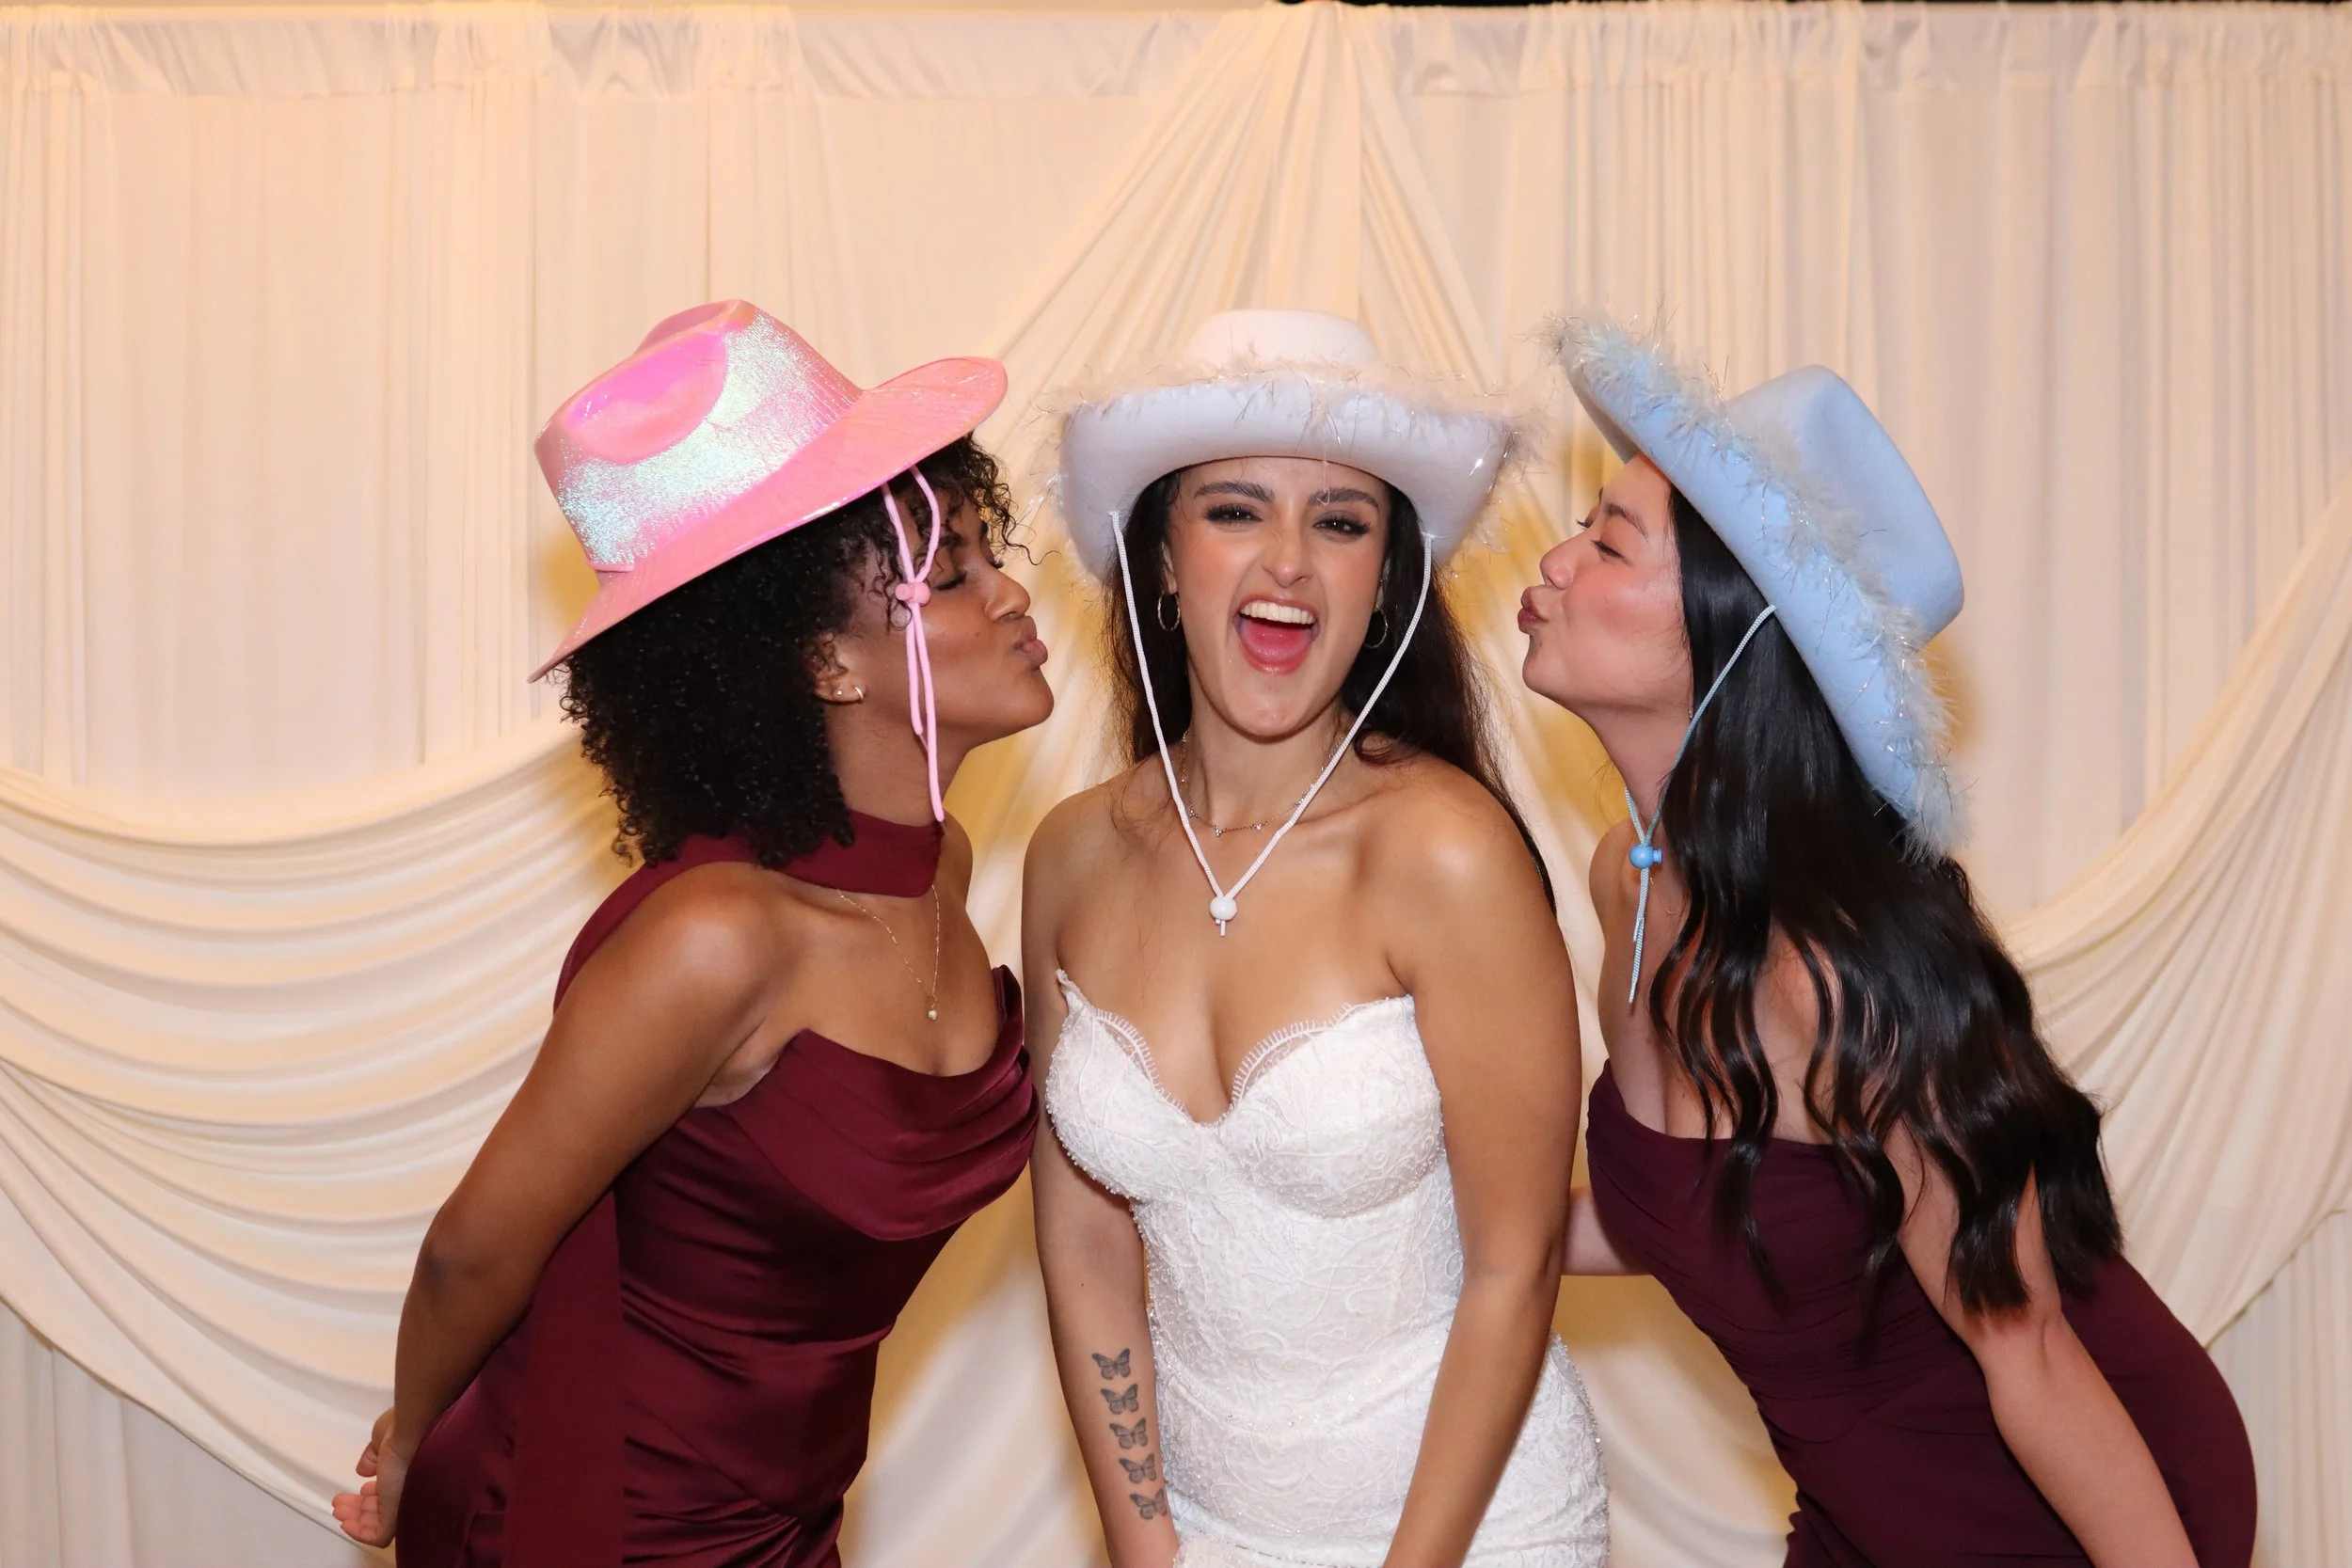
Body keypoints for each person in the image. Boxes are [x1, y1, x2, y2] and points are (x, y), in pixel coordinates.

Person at [328, 300, 1055, 1567]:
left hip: (787, 1524)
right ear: (823, 662)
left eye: (993, 558)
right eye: (952, 574)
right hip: (604, 1524)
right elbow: (470, 1253)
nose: (1010, 597)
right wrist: (410, 1455)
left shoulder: (945, 871)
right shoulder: (718, 934)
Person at [1522, 317, 2258, 1568]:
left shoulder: (1837, 971)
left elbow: (2030, 1356)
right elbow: (1678, 1224)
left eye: (1605, 539)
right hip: (1868, 1501)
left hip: (2062, 1498)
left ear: (1727, 631)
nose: (1551, 558)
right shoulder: (1627, 880)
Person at [1026, 309, 1610, 1568]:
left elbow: (1517, 1266)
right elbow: (1083, 1238)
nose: (1287, 559)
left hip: (1470, 1536)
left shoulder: (1447, 852)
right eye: (1235, 509)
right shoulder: (1071, 854)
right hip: (1198, 1533)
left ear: (1385, 576)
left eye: (1341, 522)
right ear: (1163, 562)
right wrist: (1144, 1541)